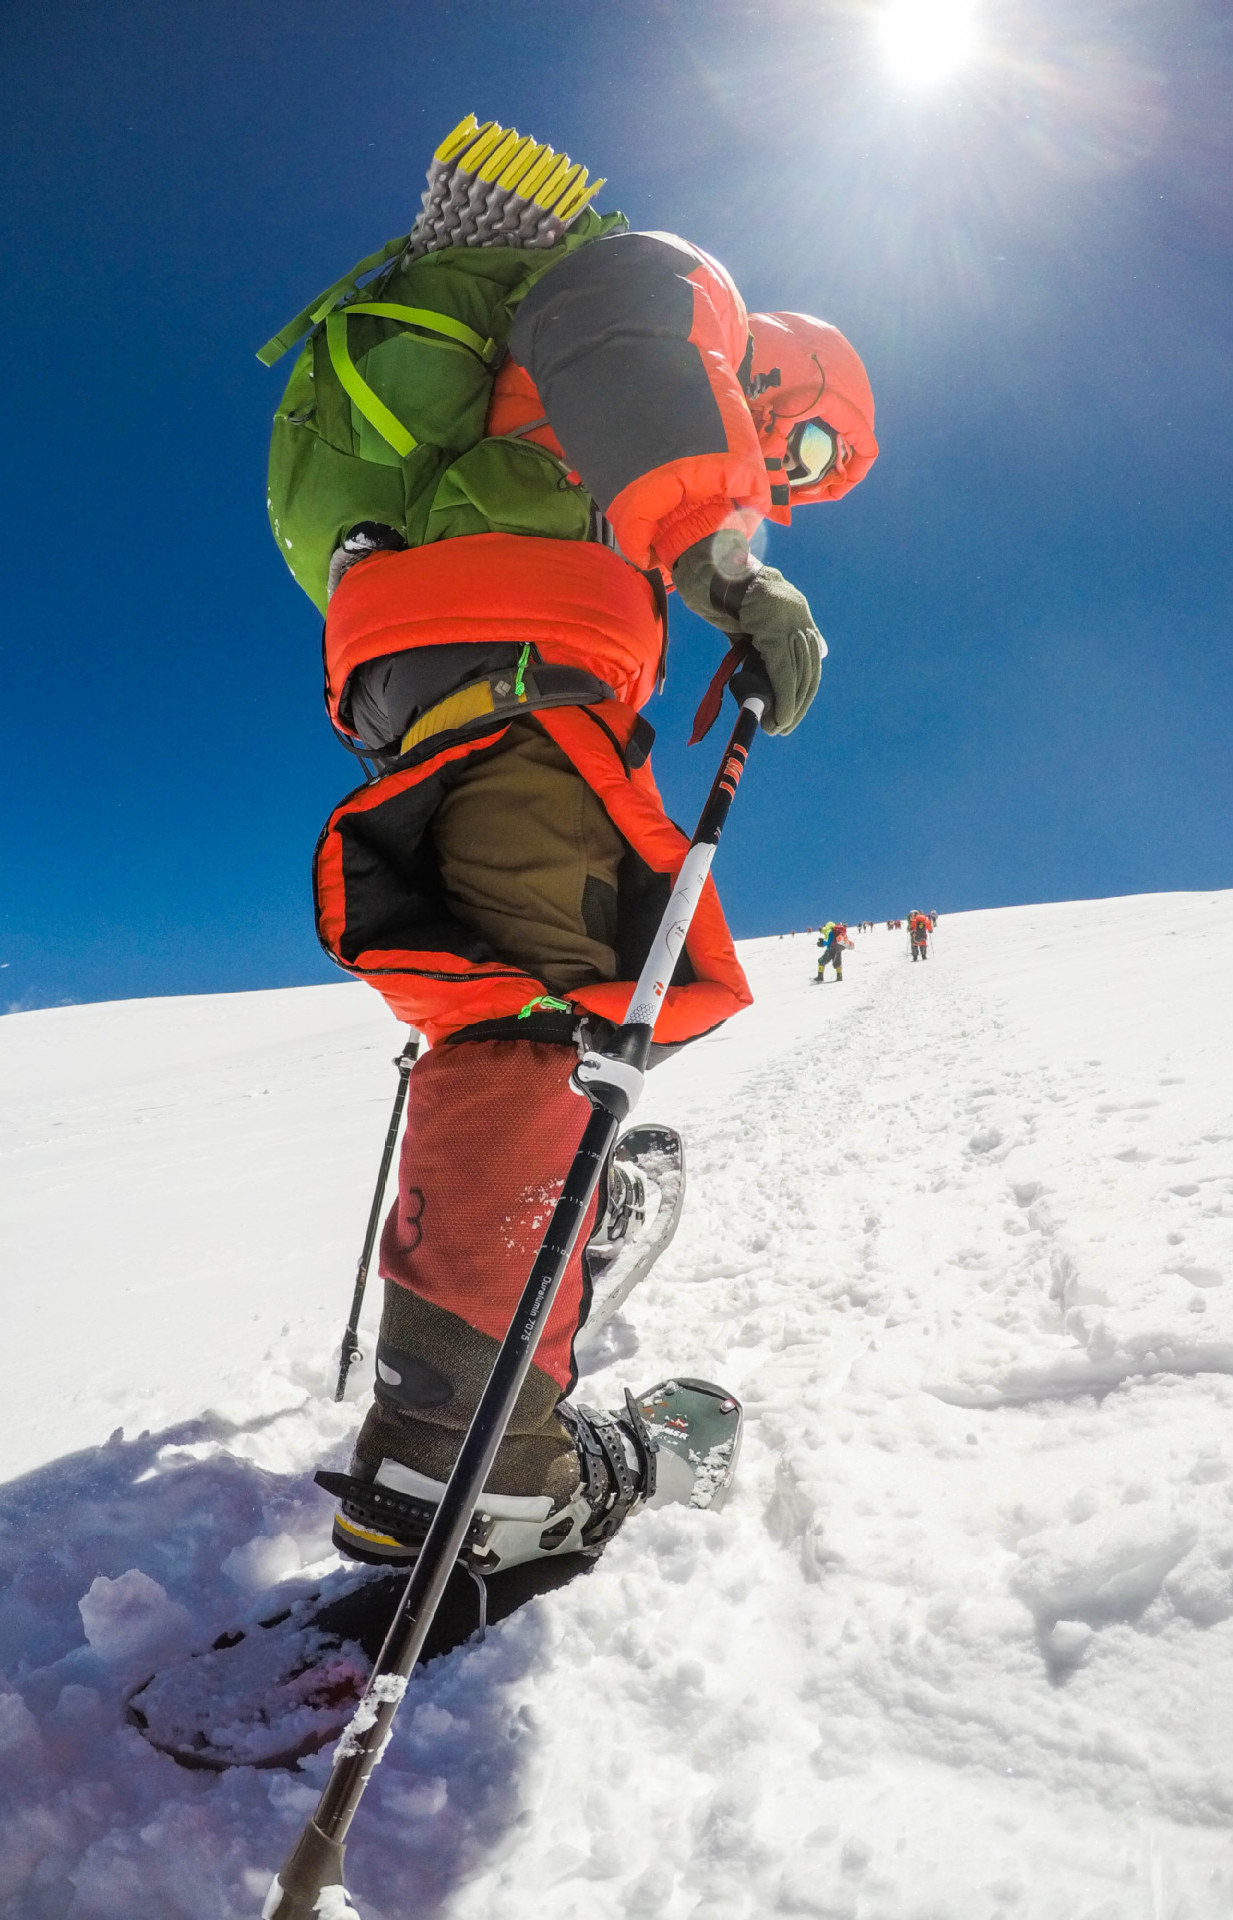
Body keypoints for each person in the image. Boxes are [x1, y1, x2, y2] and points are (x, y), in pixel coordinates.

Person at [280, 126, 878, 1571]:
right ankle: (472, 1463)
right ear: (790, 370)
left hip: (425, 663)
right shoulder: (663, 283)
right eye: (806, 447)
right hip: (519, 648)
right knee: (550, 1007)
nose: (789, 478)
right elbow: (626, 346)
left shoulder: (503, 391)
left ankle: (529, 1245)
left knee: (549, 985)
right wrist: (729, 563)